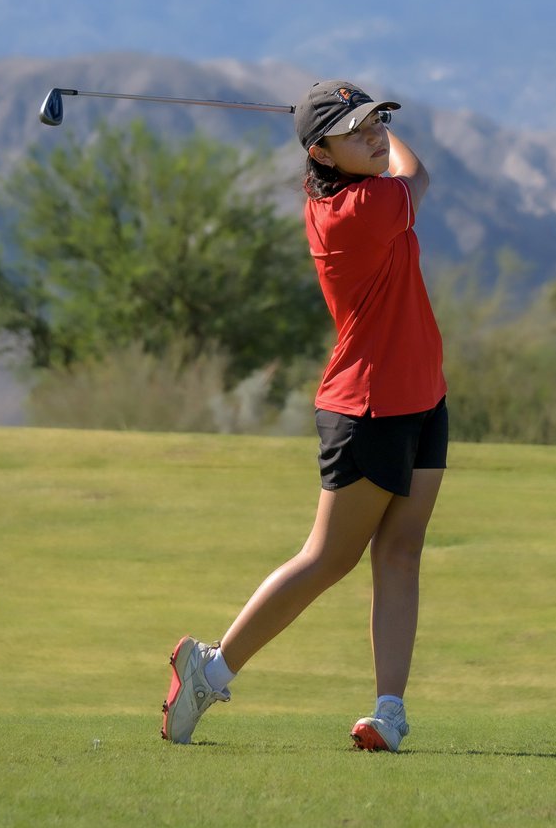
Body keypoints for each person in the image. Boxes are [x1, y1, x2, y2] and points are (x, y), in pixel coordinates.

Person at [161, 80, 447, 751]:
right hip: (369, 405)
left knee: (401, 552)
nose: (376, 135)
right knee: (328, 558)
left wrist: (362, 127)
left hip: (423, 395)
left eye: (379, 121)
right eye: (358, 130)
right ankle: (210, 669)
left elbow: (394, 167)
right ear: (320, 150)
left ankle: (389, 711)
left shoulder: (350, 188)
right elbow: (419, 175)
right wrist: (386, 141)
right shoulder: (364, 207)